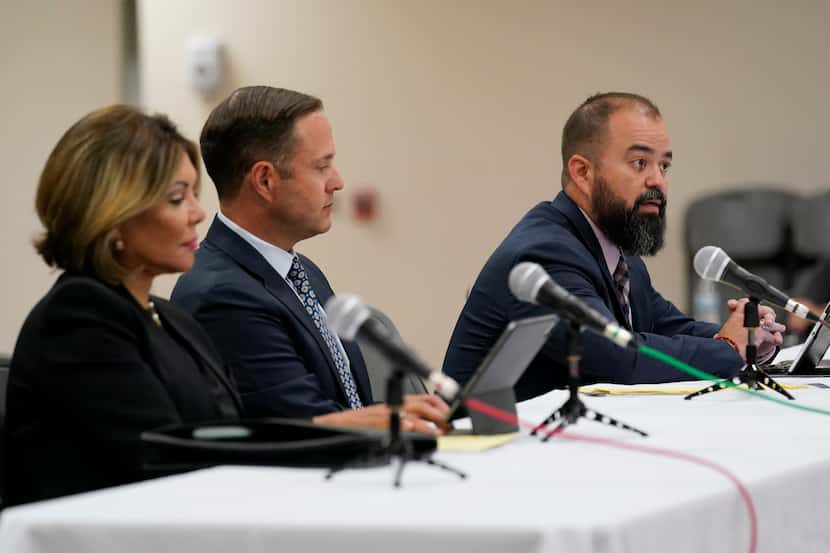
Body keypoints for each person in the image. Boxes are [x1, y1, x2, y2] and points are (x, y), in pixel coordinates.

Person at [3, 105, 438, 507]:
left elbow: (231, 430)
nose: (197, 213)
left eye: (193, 193)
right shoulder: (79, 319)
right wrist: (336, 429)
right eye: (177, 198)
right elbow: (170, 455)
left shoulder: (168, 318)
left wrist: (346, 427)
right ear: (112, 215)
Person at [442, 92, 785, 400]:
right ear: (582, 172)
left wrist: (747, 336)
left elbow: (665, 326)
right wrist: (727, 348)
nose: (658, 180)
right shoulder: (544, 251)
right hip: (484, 453)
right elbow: (613, 357)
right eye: (640, 163)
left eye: (664, 165)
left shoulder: (617, 249)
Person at [171, 86, 449, 428]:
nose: (338, 181)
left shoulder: (303, 272)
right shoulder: (221, 295)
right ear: (264, 180)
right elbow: (300, 425)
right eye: (321, 167)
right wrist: (387, 420)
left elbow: (337, 406)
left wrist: (402, 410)